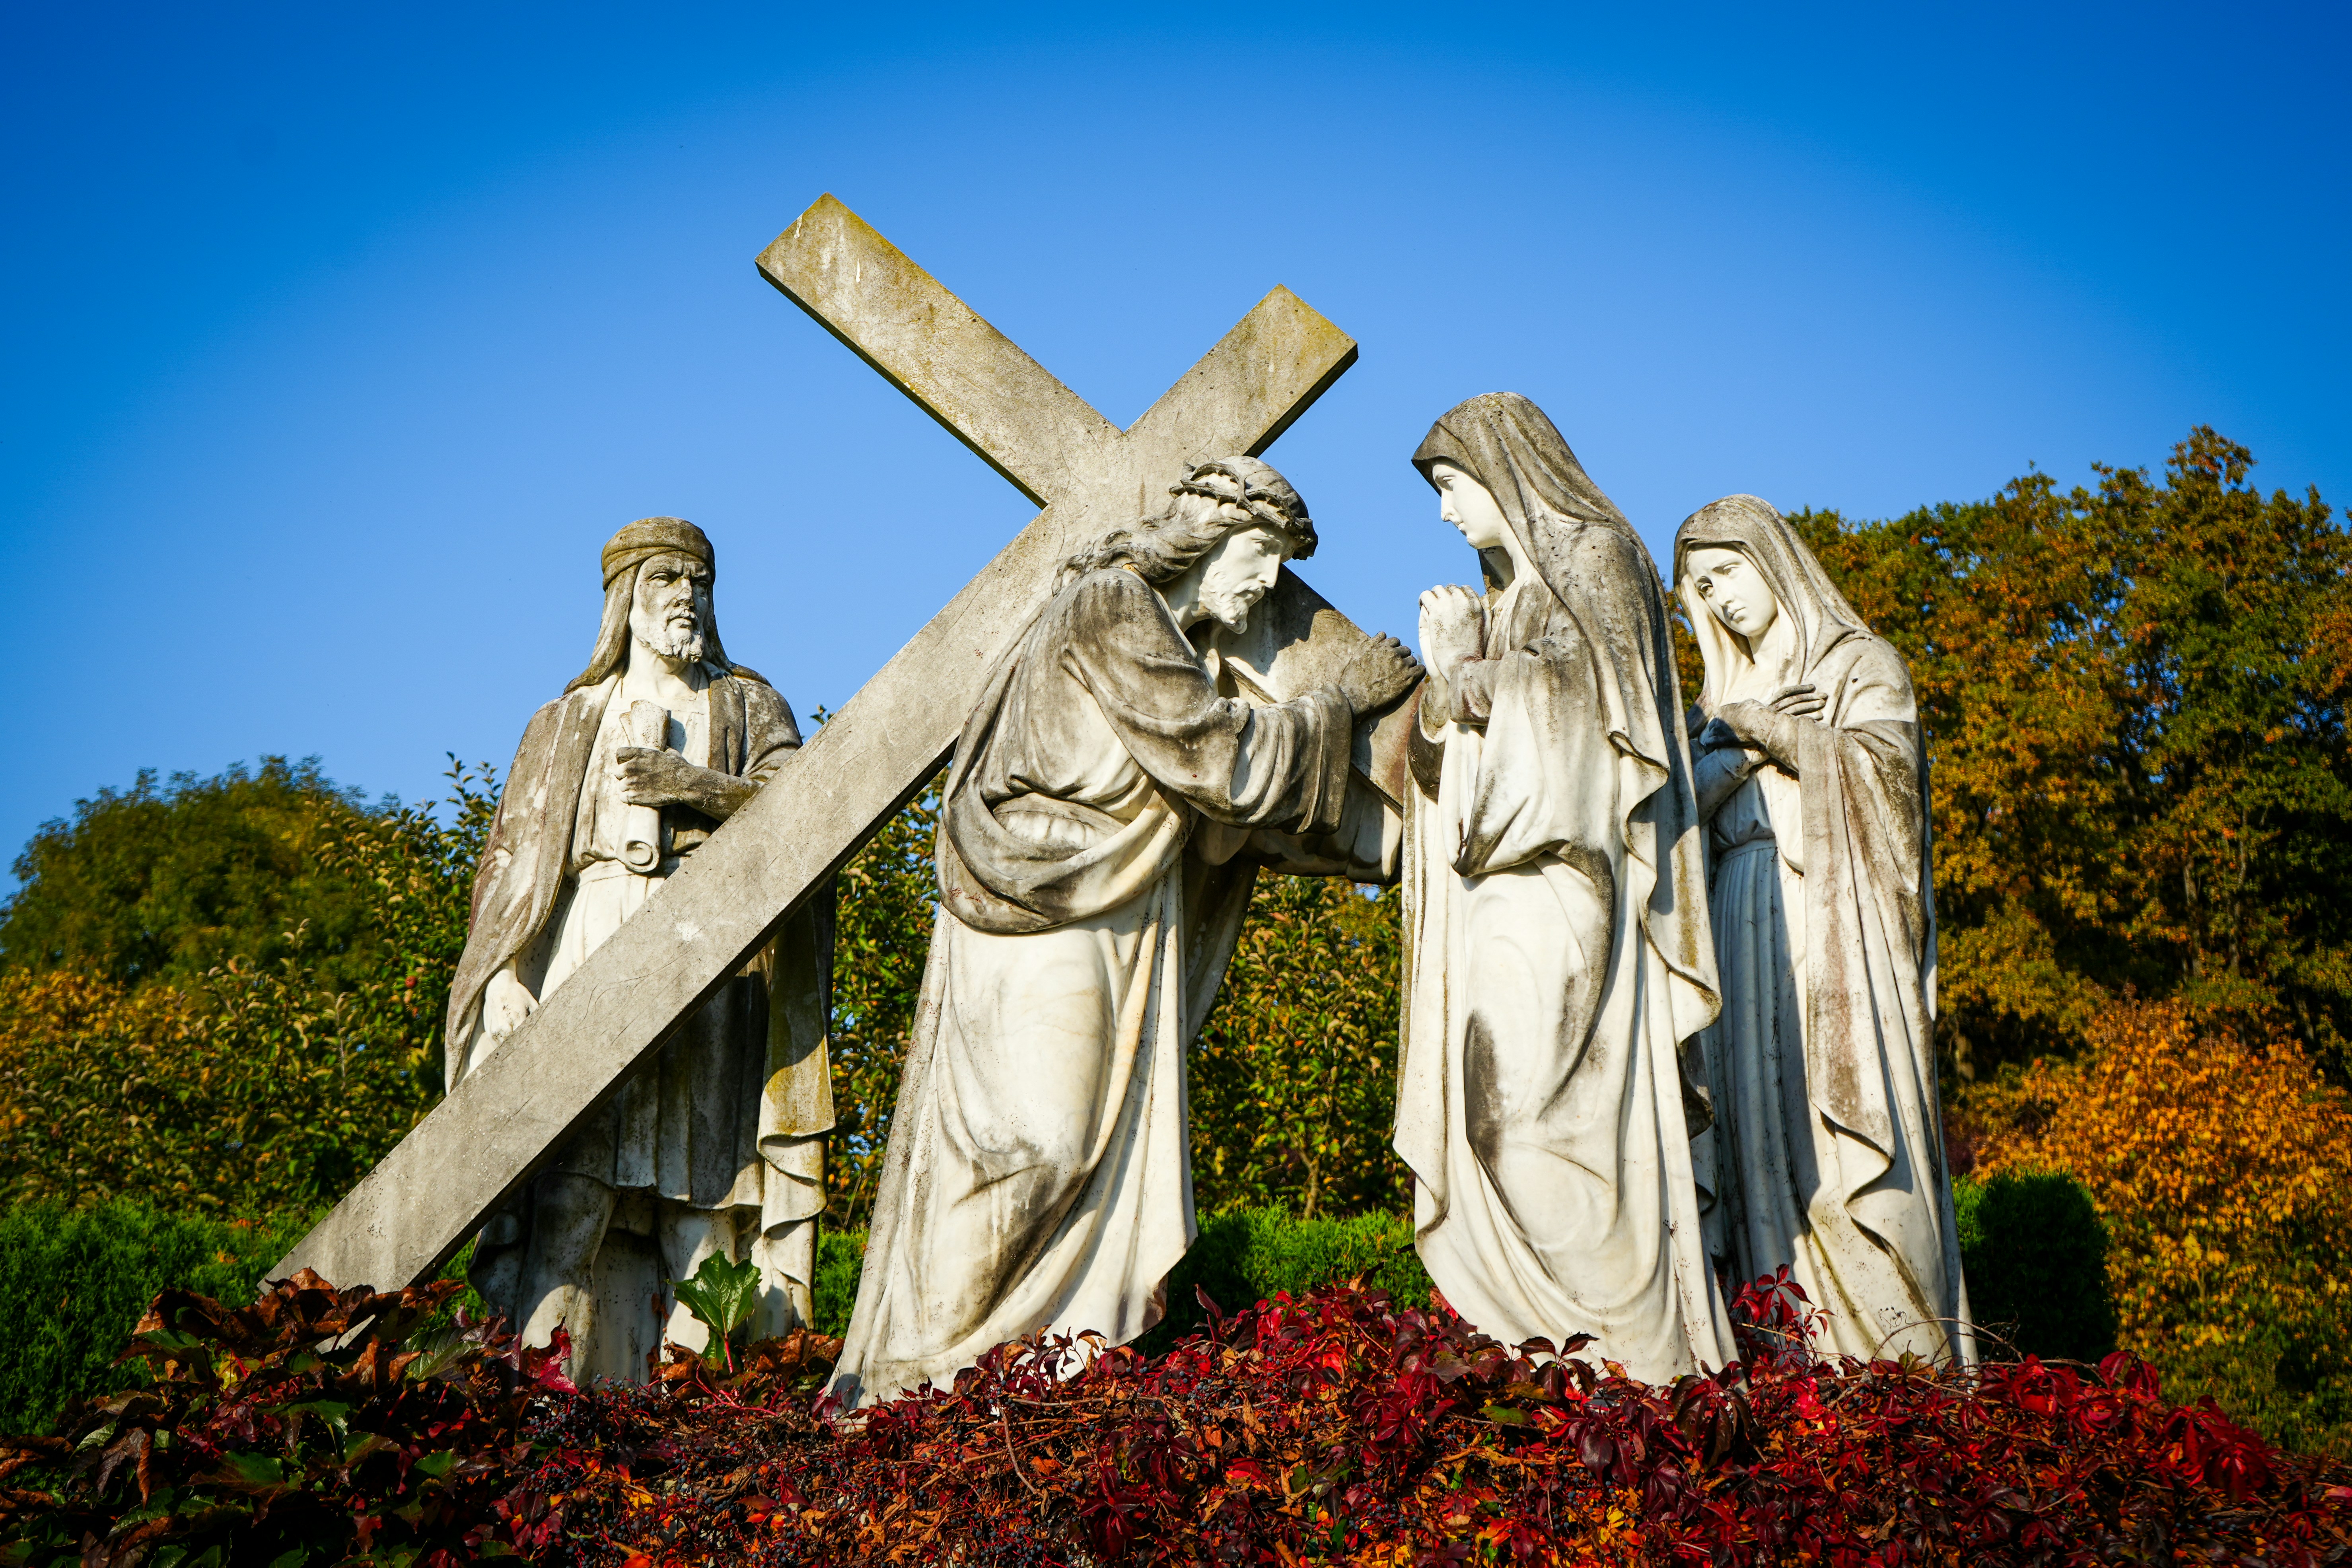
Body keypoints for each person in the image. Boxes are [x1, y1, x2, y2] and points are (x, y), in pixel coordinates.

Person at [827, 458, 1421, 1408]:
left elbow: (1217, 808)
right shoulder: (1113, 604)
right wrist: (1339, 702)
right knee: (1034, 1147)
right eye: (1260, 553)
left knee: (1079, 1152)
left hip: (1113, 907)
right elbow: (1218, 761)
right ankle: (920, 1375)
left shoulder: (1173, 646)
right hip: (1041, 894)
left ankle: (1036, 1364)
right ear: (1205, 537)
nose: (1267, 582)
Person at [1394, 393, 1735, 1383]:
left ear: (1506, 469)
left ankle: (1635, 1359)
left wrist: (1461, 673)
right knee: (1489, 1119)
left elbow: (1593, 719)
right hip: (1496, 889)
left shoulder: (1597, 558)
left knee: (1526, 1120)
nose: (1445, 512)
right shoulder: (1505, 600)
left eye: (1452, 485)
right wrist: (1449, 689)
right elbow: (1439, 768)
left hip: (1566, 886)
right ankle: (1555, 1349)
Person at [445, 516, 835, 1383]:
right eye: (666, 578)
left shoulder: (750, 706)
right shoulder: (566, 721)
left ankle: (702, 1433)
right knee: (569, 1196)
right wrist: (503, 973)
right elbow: (510, 859)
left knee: (706, 1215)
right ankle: (543, 1413)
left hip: (717, 962)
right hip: (590, 944)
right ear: (624, 597)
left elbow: (807, 808)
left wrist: (695, 788)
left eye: (700, 580)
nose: (687, 595)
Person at [1675, 494, 1973, 1363]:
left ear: (1772, 559)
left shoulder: (1859, 667)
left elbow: (1890, 790)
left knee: (1838, 1149)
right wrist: (1743, 740)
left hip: (1831, 924)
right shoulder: (1708, 707)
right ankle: (1786, 1364)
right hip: (1735, 920)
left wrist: (1774, 732)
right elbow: (1673, 822)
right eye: (1701, 588)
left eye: (1727, 570)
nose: (1721, 596)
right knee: (1753, 1144)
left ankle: (1893, 1363)